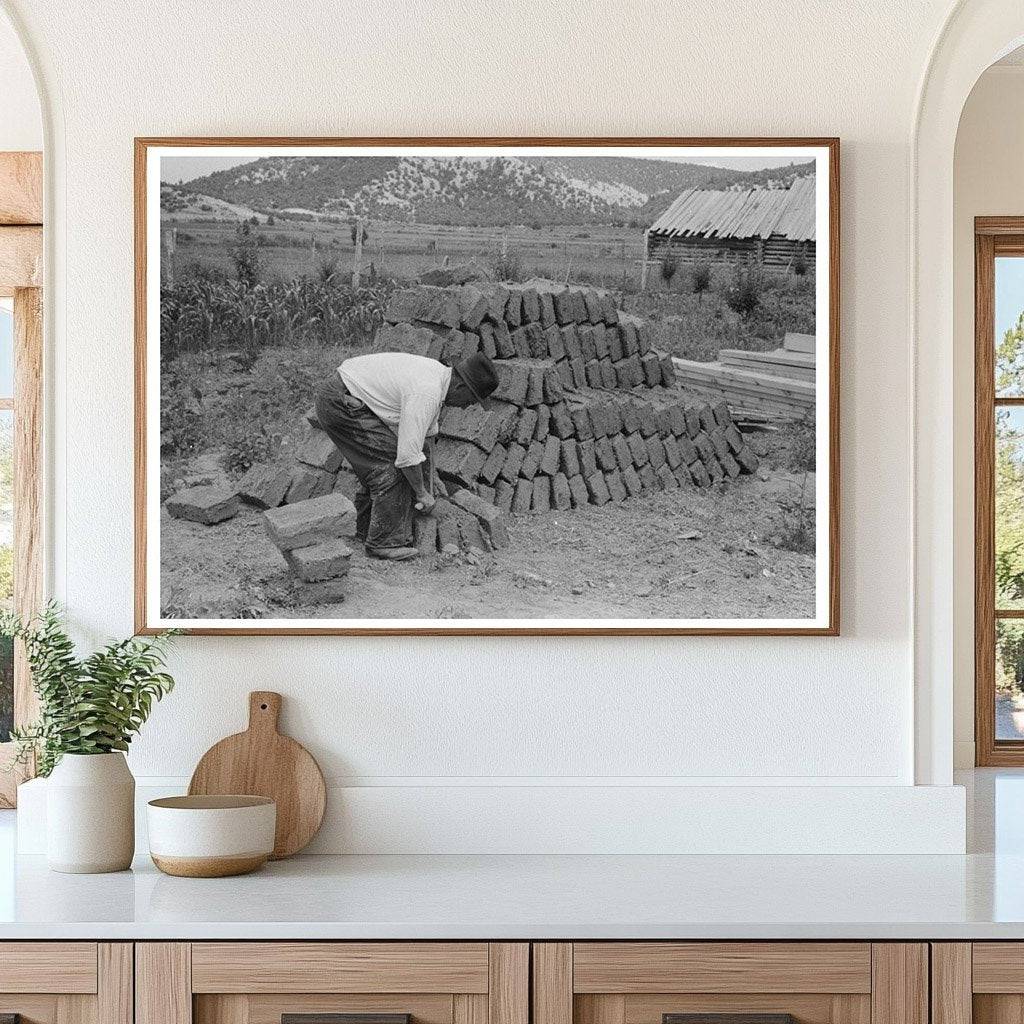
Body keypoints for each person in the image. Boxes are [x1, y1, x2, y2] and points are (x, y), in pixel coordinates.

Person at [314, 350, 499, 561]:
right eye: (472, 399)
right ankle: (383, 543)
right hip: (340, 402)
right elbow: (407, 457)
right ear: (460, 387)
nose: (469, 406)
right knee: (393, 466)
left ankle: (364, 528)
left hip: (345, 395)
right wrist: (421, 493)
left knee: (381, 463)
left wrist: (433, 477)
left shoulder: (438, 378)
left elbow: (426, 441)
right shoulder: (427, 392)